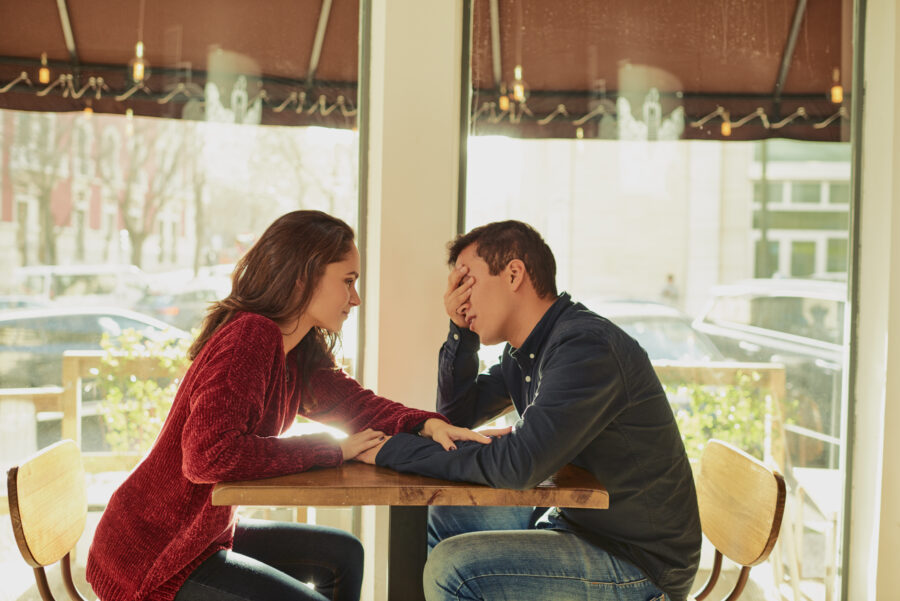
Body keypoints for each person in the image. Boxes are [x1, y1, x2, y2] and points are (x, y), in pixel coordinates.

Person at [86, 210, 493, 601]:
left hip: (199, 535)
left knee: (343, 555)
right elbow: (207, 457)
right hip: (153, 559)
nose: (356, 299)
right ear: (304, 278)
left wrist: (427, 424)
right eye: (348, 281)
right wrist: (330, 450)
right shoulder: (251, 337)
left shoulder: (294, 351)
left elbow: (355, 405)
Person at [360, 220, 702, 601]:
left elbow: (518, 465)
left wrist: (393, 451)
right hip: (578, 524)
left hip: (640, 565)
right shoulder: (526, 352)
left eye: (466, 281)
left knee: (452, 570)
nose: (458, 298)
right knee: (446, 513)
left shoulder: (585, 348)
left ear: (513, 274)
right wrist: (461, 331)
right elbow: (457, 418)